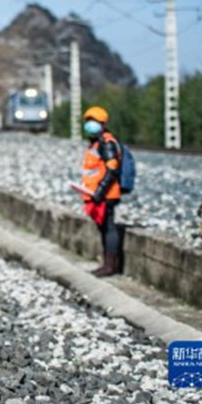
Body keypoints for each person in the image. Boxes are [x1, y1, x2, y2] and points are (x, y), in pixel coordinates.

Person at [80, 106, 123, 277]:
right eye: (89, 121)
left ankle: (110, 266)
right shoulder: (97, 143)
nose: (91, 125)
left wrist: (100, 191)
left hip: (106, 194)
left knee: (109, 228)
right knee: (103, 228)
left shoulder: (107, 143)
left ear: (103, 124)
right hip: (97, 194)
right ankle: (107, 264)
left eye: (95, 122)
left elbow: (112, 169)